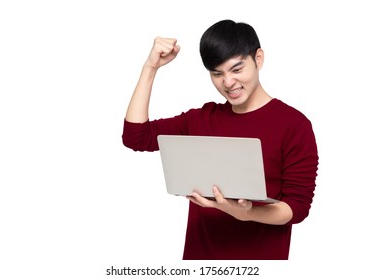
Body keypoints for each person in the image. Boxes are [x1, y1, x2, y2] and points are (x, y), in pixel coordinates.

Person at [122, 19, 318, 260]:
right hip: (199, 262)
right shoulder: (201, 119)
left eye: (237, 70)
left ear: (258, 59)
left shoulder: (294, 125)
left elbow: (297, 207)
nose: (228, 83)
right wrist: (150, 68)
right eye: (217, 73)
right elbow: (136, 137)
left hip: (259, 263)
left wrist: (245, 213)